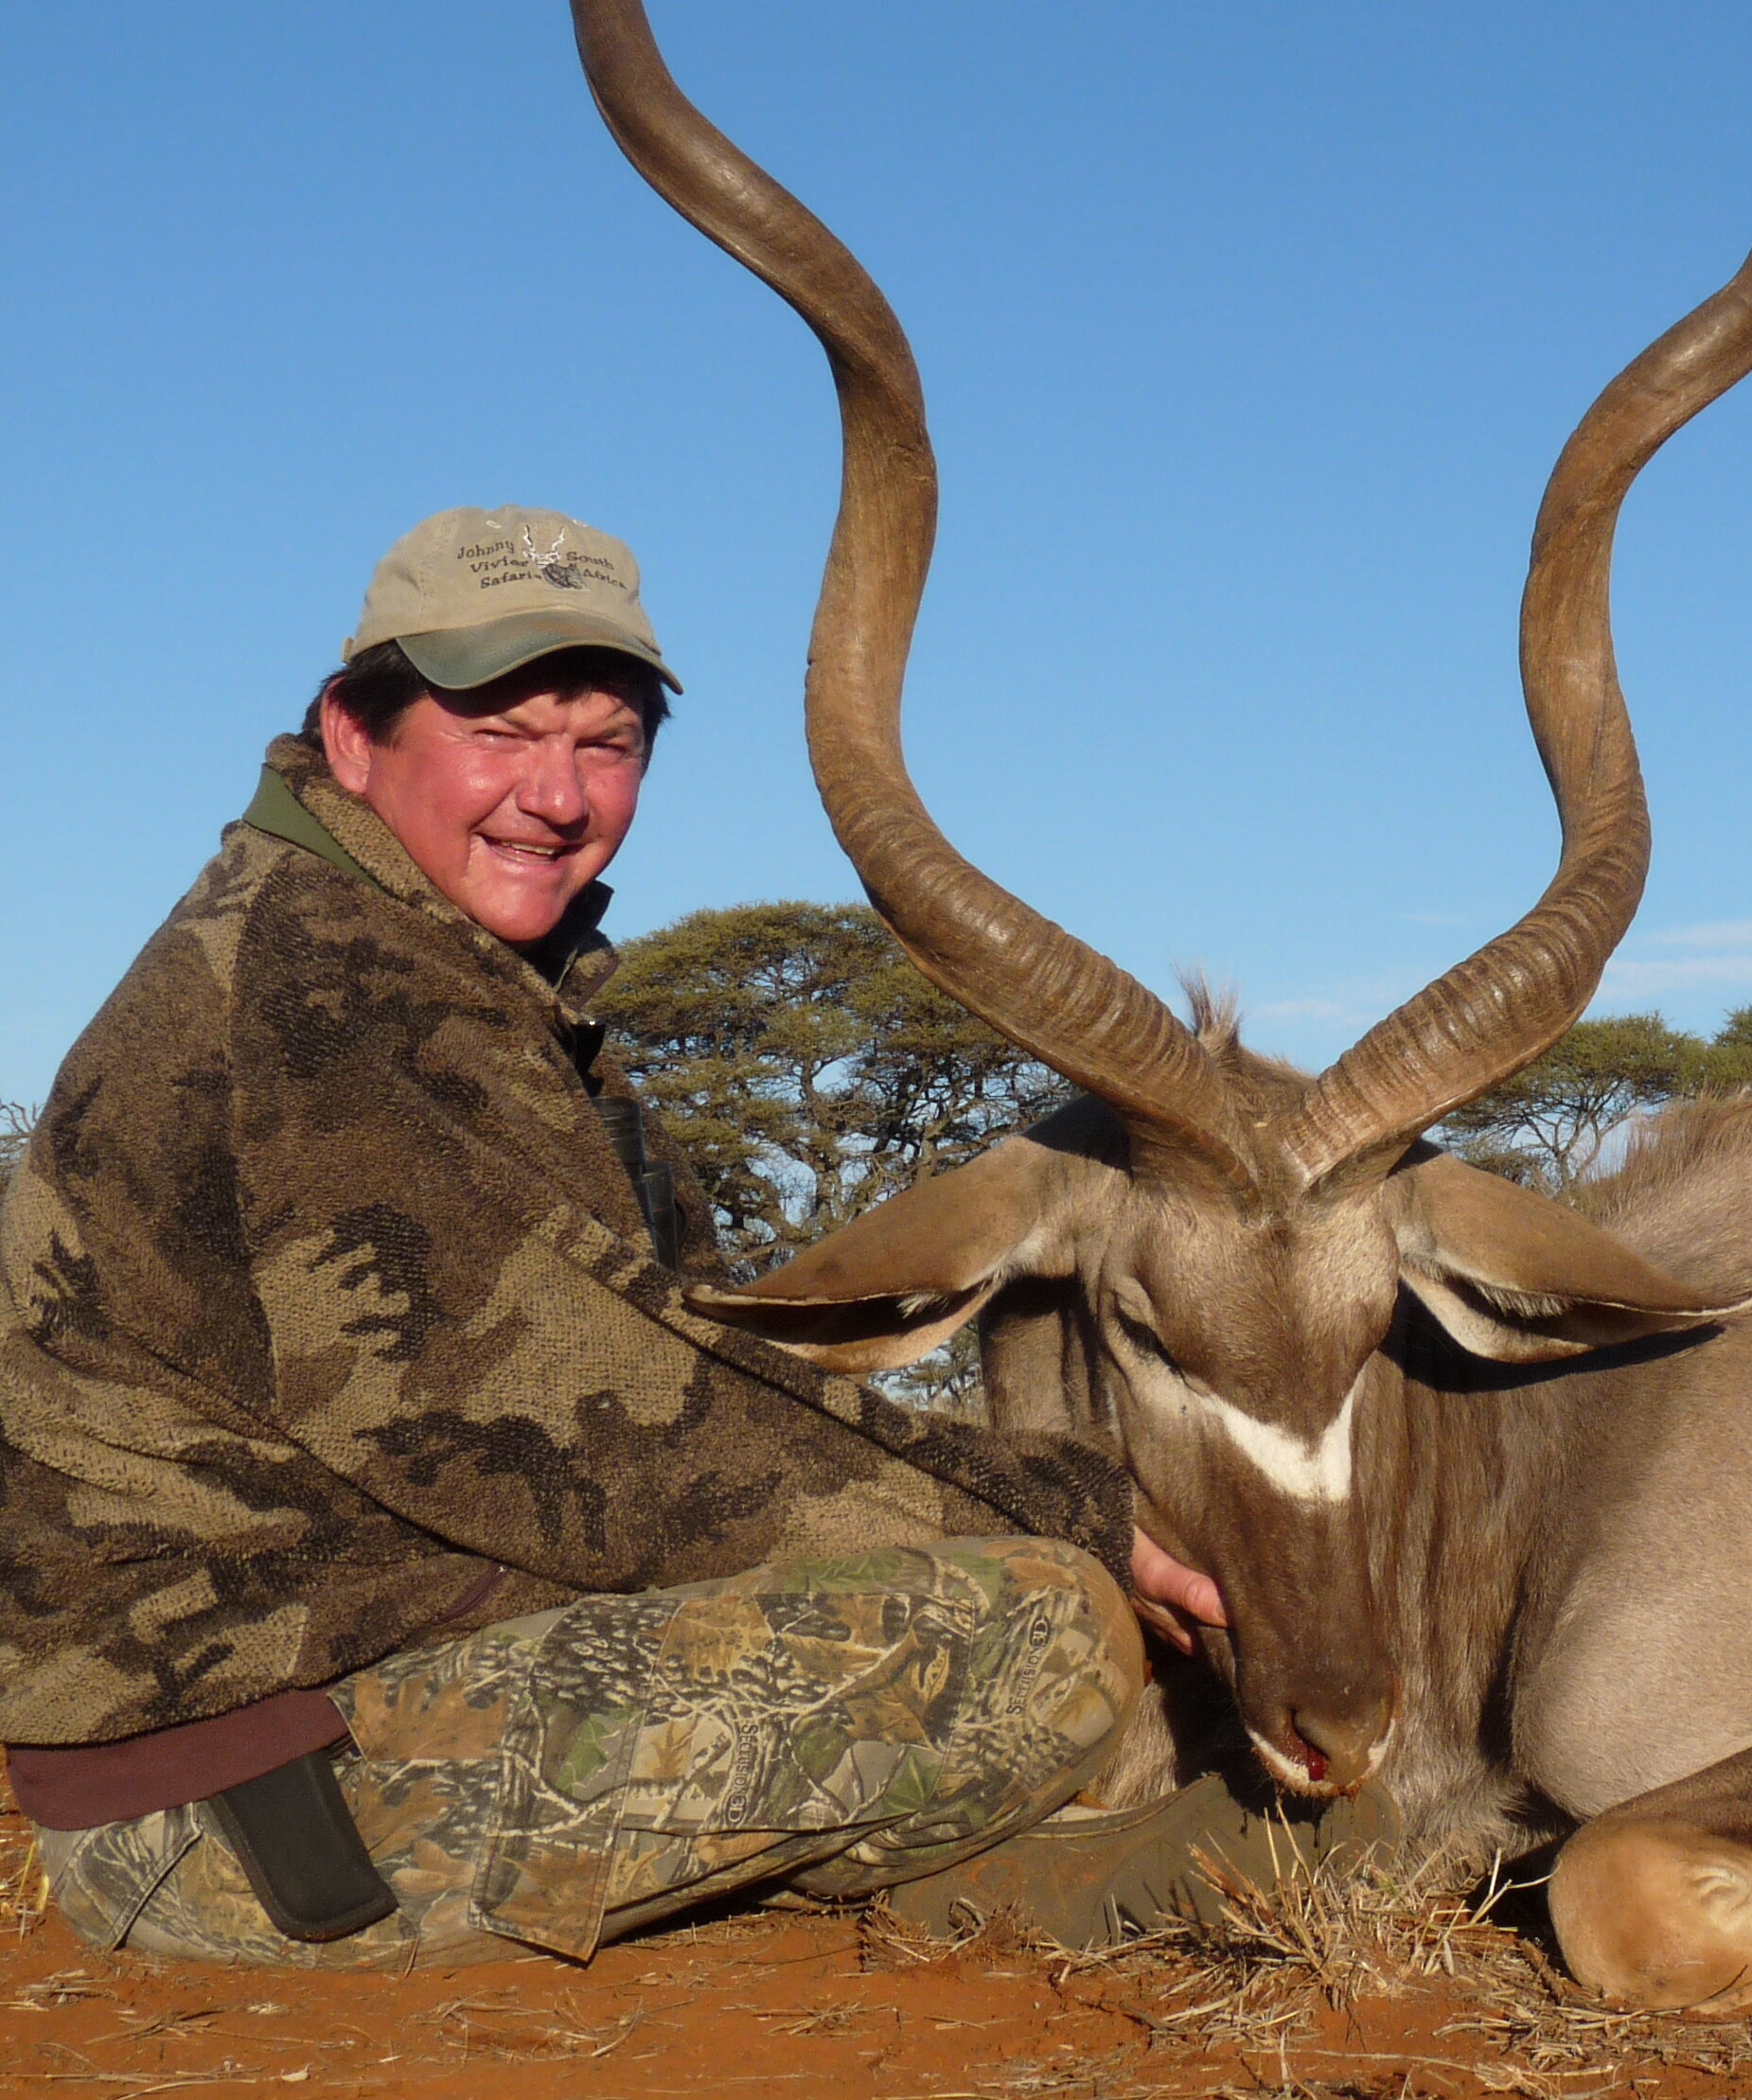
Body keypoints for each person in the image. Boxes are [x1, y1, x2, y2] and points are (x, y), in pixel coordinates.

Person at [0, 507, 1336, 1967]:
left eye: (610, 743)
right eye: (503, 731)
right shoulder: (322, 990)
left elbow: (660, 1361)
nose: (559, 795)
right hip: (243, 1815)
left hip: (324, 1698)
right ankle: (1089, 1888)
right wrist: (1072, 1508)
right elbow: (581, 1426)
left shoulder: (455, 969)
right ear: (351, 736)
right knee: (1043, 1638)